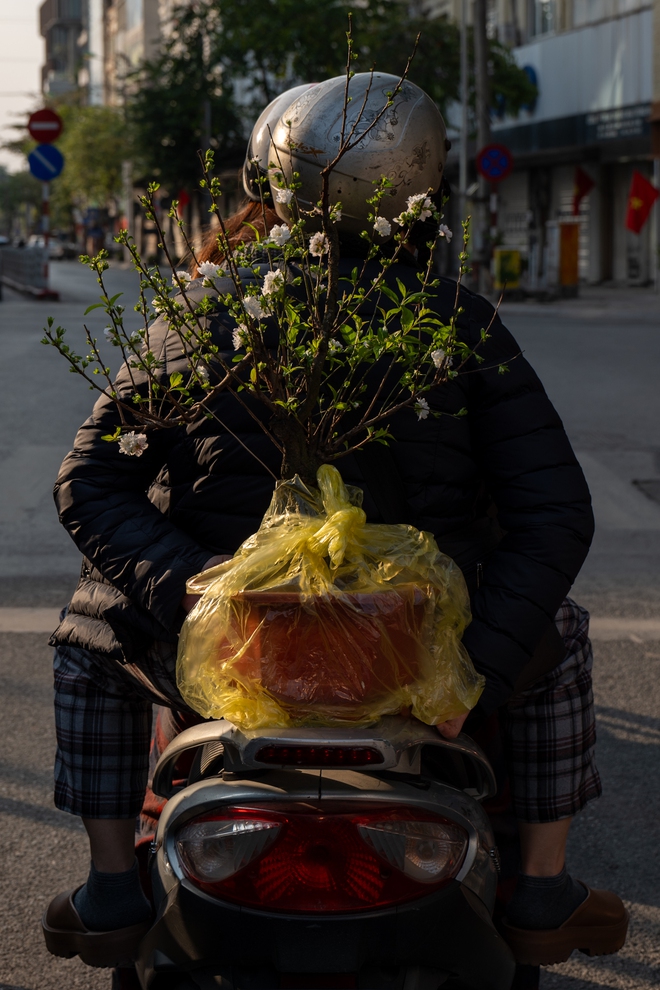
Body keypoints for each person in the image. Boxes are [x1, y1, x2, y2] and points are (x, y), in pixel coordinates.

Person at [42, 74, 627, 970]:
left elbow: (90, 485)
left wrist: (200, 594)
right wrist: (471, 674)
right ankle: (543, 884)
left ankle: (113, 880)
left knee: (88, 636)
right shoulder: (460, 324)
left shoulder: (203, 315)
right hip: (417, 653)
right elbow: (555, 514)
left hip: (236, 649)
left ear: (268, 186)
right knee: (561, 634)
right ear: (423, 199)